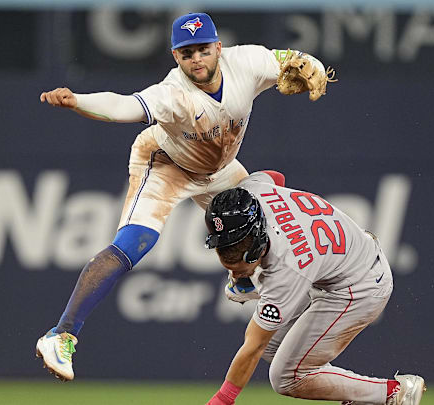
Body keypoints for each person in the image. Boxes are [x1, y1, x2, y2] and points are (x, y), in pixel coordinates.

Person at [34, 12, 335, 381]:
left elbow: (294, 60)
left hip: (220, 168)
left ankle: (239, 276)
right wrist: (78, 100)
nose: (197, 59)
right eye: (187, 52)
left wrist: (315, 67)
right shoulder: (173, 94)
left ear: (218, 48)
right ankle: (60, 334)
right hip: (166, 165)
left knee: (268, 208)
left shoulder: (248, 62)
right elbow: (123, 106)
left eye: (203, 49)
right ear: (176, 57)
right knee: (134, 243)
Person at [203, 171, 426, 405]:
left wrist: (223, 399)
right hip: (342, 264)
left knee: (285, 377)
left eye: (240, 263)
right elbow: (274, 177)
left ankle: (395, 393)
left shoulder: (286, 267)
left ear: (257, 244)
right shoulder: (253, 191)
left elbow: (253, 346)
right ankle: (363, 397)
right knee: (278, 351)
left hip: (359, 287)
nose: (233, 267)